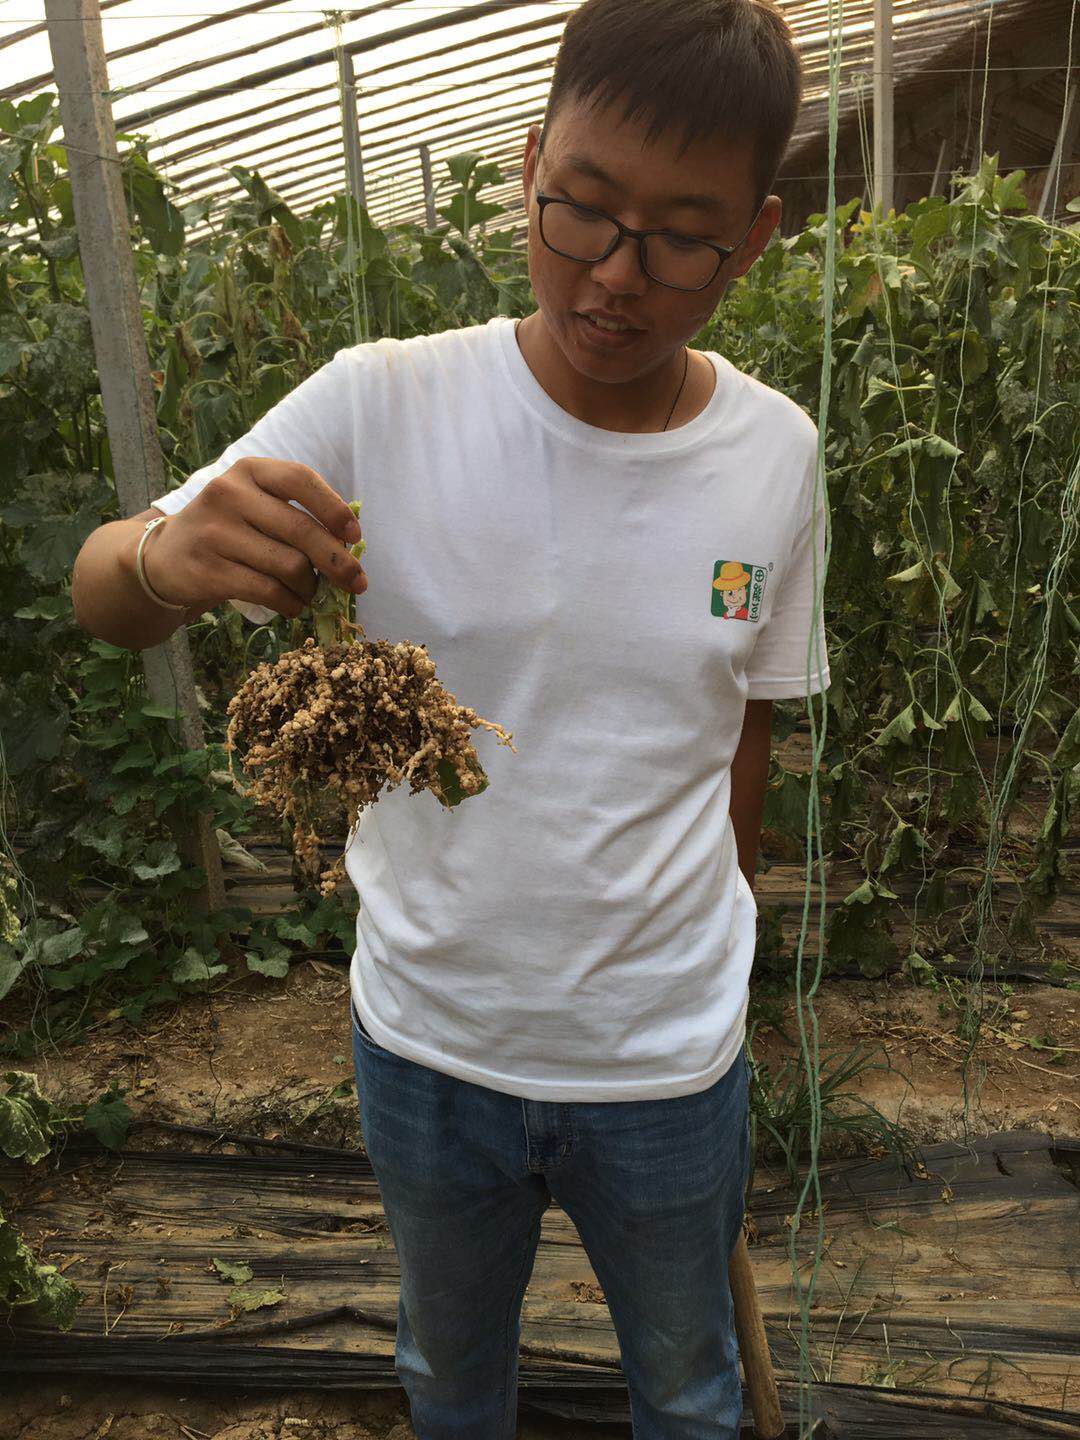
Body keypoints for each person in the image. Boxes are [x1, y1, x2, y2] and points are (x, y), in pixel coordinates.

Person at [72, 0, 830, 1433]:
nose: (615, 275)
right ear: (532, 159)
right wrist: (164, 559)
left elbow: (743, 723)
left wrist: (713, 941)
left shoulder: (775, 451)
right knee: (446, 1378)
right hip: (431, 1044)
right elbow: (105, 588)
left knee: (688, 1385)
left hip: (666, 1060)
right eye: (582, 211)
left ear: (758, 235)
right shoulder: (384, 406)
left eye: (683, 239)